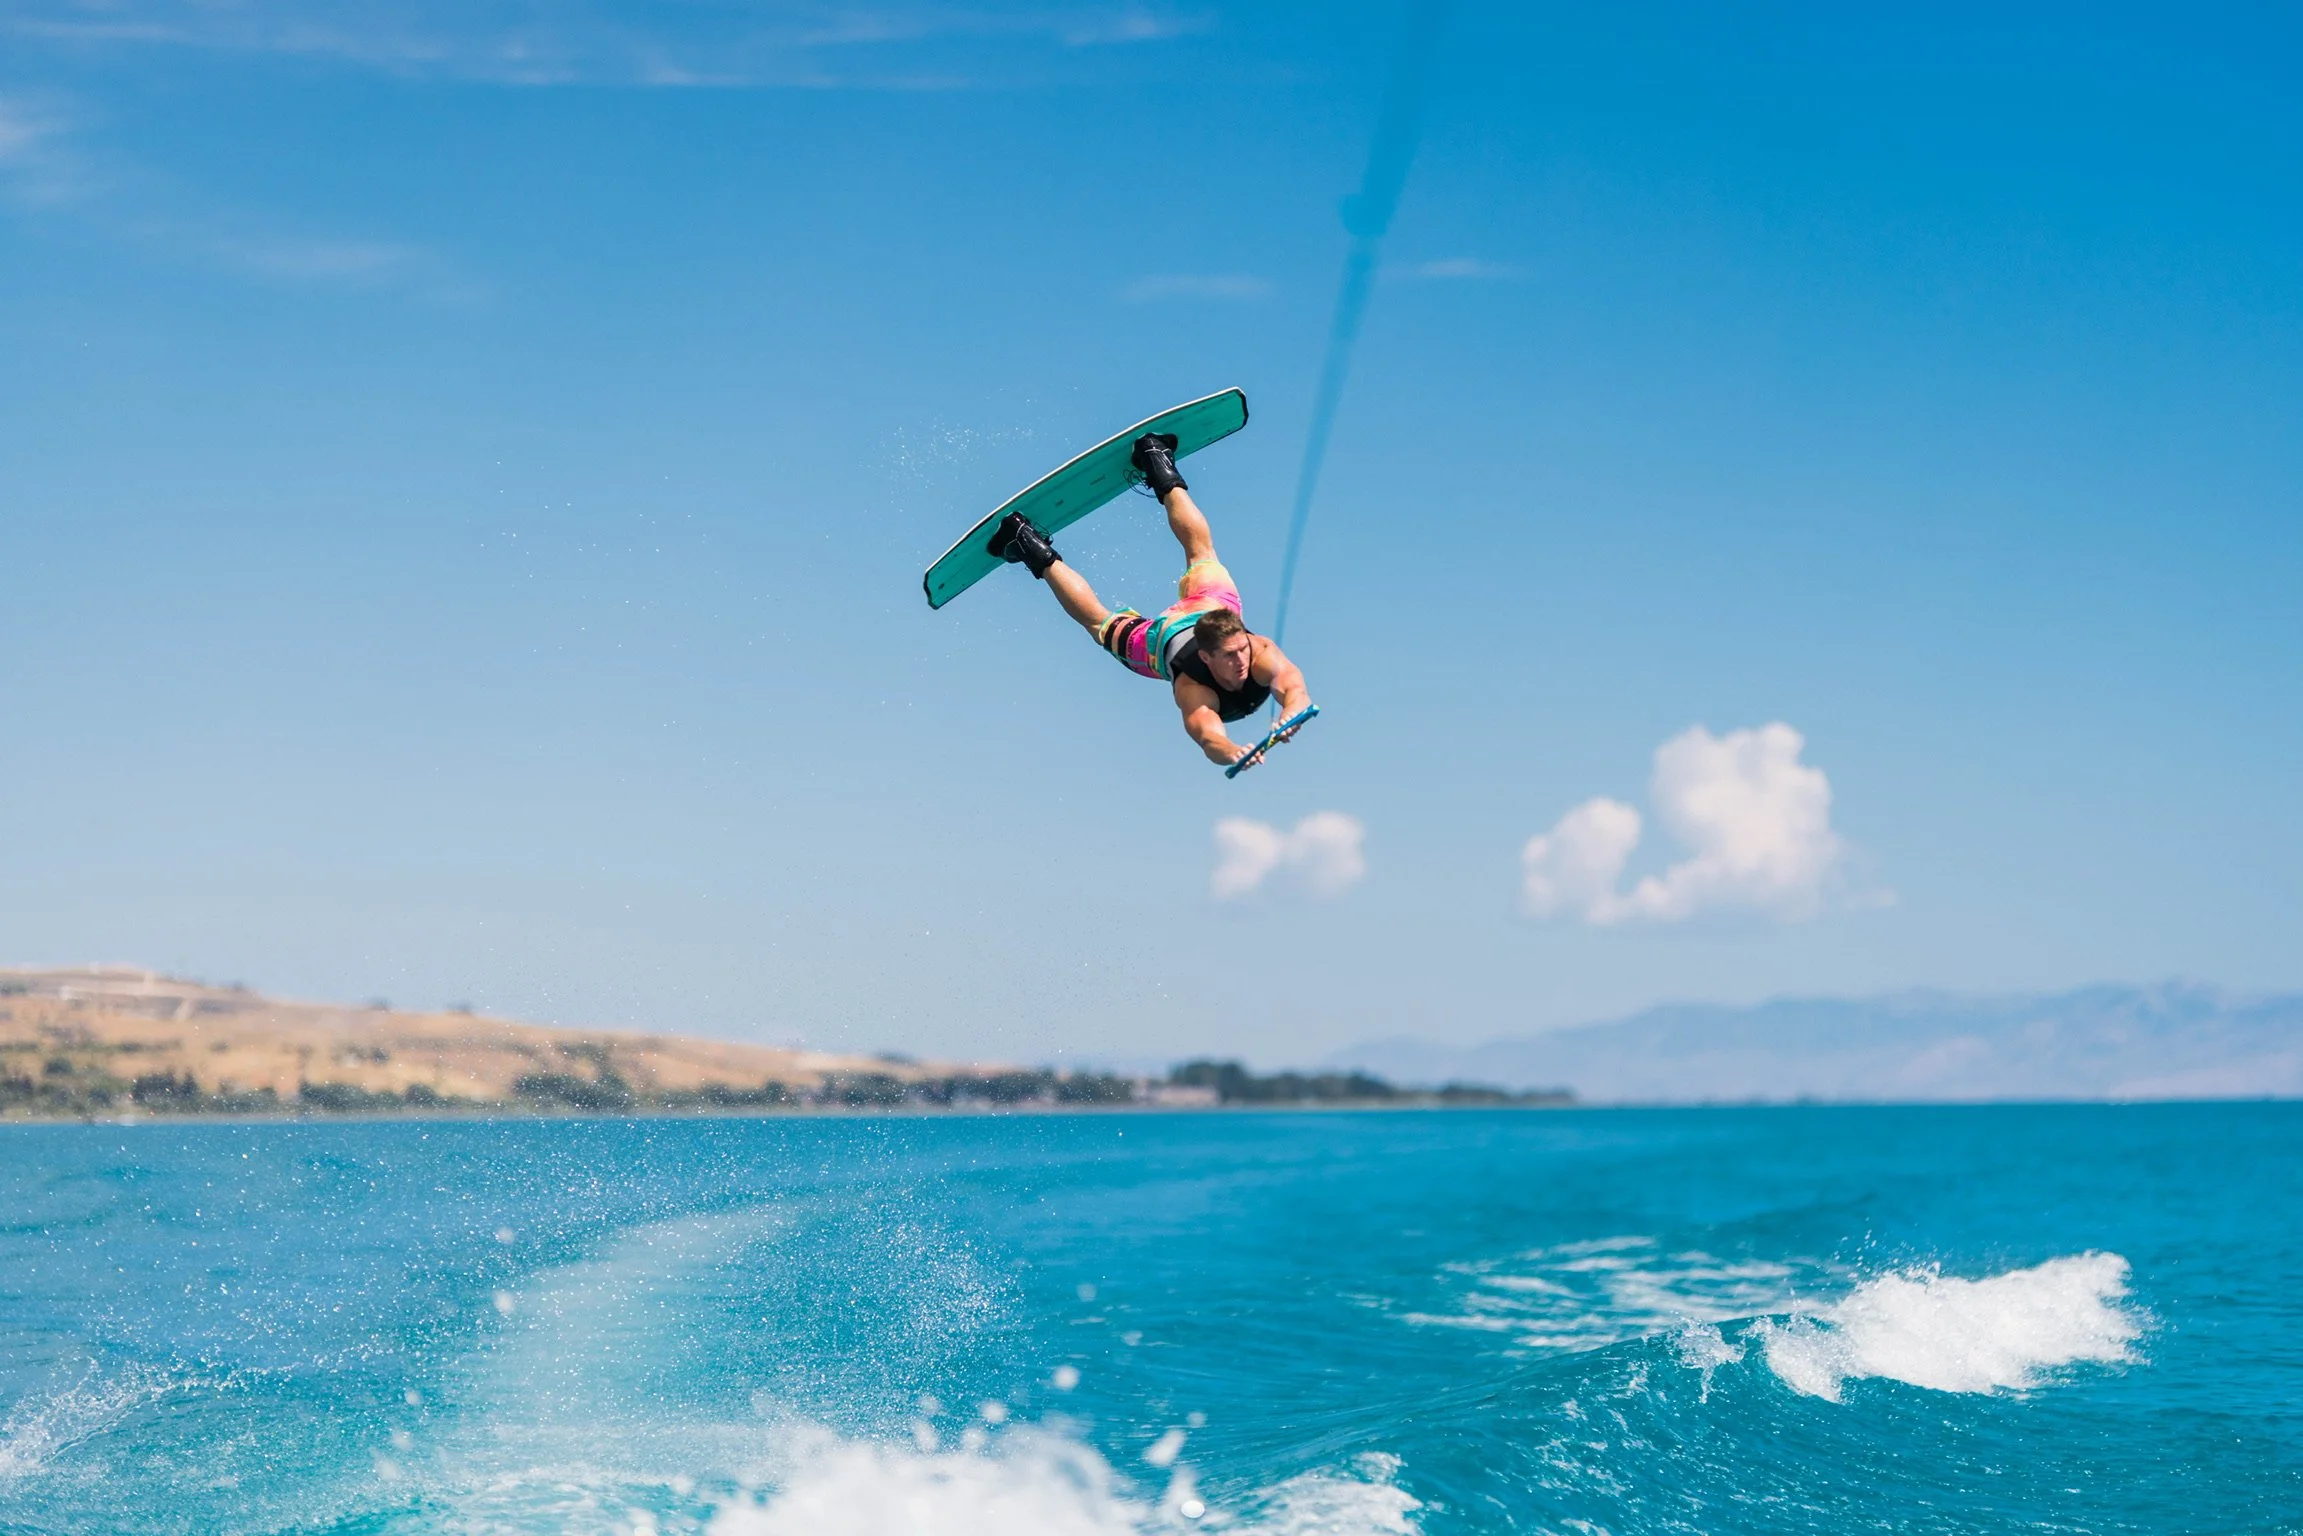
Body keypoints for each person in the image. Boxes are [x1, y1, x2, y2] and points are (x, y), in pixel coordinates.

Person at [988, 433, 1313, 768]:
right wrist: (1231, 751)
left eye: (1242, 649)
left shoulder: (1259, 652)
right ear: (1205, 656)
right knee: (1098, 622)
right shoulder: (1194, 687)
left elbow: (1296, 691)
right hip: (1159, 641)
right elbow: (1209, 738)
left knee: (1201, 552)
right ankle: (1024, 542)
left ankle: (1155, 457)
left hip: (1212, 604)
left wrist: (1291, 712)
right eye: (1230, 656)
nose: (1241, 660)